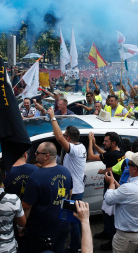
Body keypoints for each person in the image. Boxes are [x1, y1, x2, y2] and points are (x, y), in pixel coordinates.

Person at [104, 151, 138, 253]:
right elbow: (129, 194)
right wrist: (115, 182)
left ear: (135, 169)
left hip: (128, 237)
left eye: (128, 163)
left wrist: (111, 183)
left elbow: (109, 199)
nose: (126, 165)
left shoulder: (128, 188)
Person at [22, 142, 73, 253]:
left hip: (42, 231)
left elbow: (26, 206)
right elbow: (69, 194)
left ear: (47, 156)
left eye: (38, 152)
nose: (35, 154)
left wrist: (22, 227)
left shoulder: (36, 177)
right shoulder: (66, 171)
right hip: (63, 226)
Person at [48, 108, 87, 252]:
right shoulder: (80, 146)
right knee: (71, 220)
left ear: (69, 138)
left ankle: (75, 248)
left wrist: (53, 117)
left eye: (65, 136)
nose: (63, 137)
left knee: (72, 223)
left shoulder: (75, 150)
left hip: (74, 191)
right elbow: (57, 135)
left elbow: (59, 138)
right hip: (74, 188)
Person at [88, 131, 125, 250]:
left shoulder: (111, 155)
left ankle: (112, 241)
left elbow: (90, 157)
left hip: (111, 187)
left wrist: (90, 142)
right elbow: (104, 154)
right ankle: (106, 231)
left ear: (113, 143)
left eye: (106, 141)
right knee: (106, 212)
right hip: (115, 186)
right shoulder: (119, 152)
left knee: (110, 215)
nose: (103, 143)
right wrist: (95, 145)